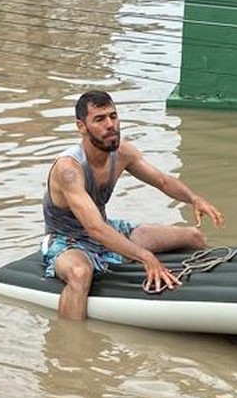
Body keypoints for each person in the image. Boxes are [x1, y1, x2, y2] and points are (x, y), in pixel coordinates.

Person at [42, 90, 225, 320]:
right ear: (81, 126)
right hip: (68, 241)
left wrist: (193, 198)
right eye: (99, 119)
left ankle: (212, 295)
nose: (111, 125)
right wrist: (145, 257)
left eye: (113, 116)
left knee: (193, 237)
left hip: (107, 228)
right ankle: (72, 348)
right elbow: (94, 228)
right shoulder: (69, 169)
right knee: (80, 274)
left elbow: (162, 181)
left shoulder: (122, 153)